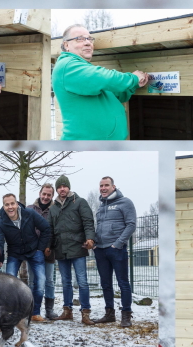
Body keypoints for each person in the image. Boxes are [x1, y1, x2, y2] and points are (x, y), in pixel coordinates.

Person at [52, 25, 148, 141]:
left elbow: (115, 95)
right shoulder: (67, 65)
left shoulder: (85, 73)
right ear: (66, 45)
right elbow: (105, 77)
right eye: (80, 39)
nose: (87, 43)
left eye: (89, 39)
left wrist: (134, 85)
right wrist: (133, 78)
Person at [0, 193, 51, 321]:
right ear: (3, 206)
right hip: (15, 253)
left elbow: (46, 228)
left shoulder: (29, 213)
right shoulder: (1, 222)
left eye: (12, 203)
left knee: (40, 281)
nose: (10, 207)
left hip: (34, 250)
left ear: (17, 204)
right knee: (9, 282)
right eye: (7, 205)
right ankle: (12, 312)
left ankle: (35, 313)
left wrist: (40, 249)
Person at [48, 175, 97, 325]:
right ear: (57, 189)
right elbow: (50, 229)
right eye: (59, 187)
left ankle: (85, 312)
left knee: (82, 281)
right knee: (65, 281)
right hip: (61, 249)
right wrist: (48, 246)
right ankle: (67, 310)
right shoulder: (53, 208)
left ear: (69, 187)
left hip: (78, 247)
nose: (62, 189)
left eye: (64, 186)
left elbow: (88, 222)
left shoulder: (80, 202)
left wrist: (90, 238)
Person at [93, 176, 138, 327]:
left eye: (106, 185)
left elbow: (131, 225)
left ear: (114, 187)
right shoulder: (100, 206)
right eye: (101, 186)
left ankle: (126, 315)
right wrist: (94, 244)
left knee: (123, 283)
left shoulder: (125, 202)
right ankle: (109, 314)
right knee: (105, 284)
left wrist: (118, 244)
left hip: (117, 250)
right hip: (100, 250)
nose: (103, 188)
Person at [28, 183, 58, 320]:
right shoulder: (30, 209)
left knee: (49, 281)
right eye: (44, 194)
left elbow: (56, 231)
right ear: (40, 193)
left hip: (49, 251)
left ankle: (49, 309)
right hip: (33, 252)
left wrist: (50, 246)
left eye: (49, 195)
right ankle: (32, 309)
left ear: (52, 196)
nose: (45, 197)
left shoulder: (56, 210)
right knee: (33, 280)